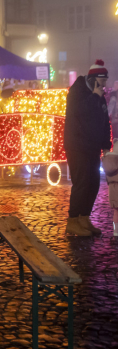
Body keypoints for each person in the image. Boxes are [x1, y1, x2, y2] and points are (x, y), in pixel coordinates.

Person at [64, 60, 112, 236]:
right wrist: (94, 96)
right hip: (77, 146)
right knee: (82, 183)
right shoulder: (77, 91)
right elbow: (80, 111)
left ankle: (84, 218)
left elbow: (104, 120)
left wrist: (106, 145)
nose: (104, 85)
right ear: (93, 80)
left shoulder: (99, 95)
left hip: (92, 146)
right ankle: (73, 220)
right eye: (102, 81)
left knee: (93, 183)